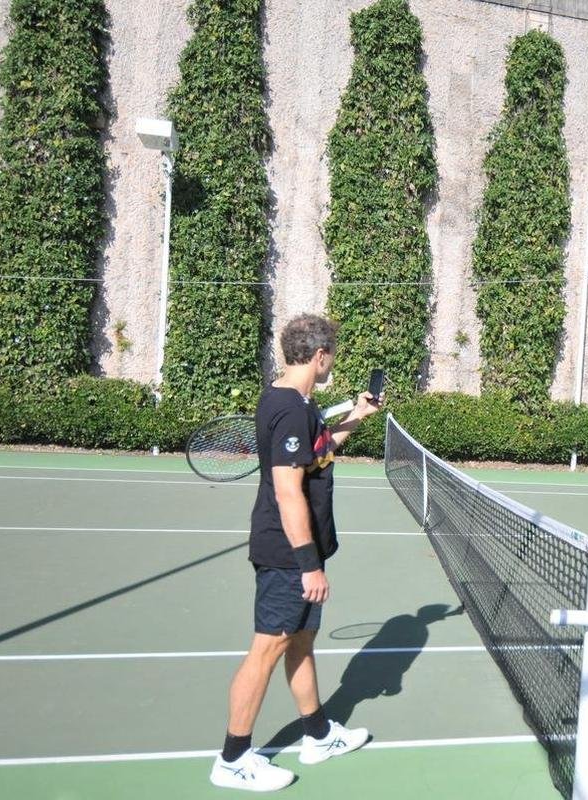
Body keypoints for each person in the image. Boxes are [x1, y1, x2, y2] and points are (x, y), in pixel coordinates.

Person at [210, 314, 381, 792]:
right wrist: (308, 566)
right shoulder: (289, 410)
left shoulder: (298, 402)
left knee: (301, 643)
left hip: (302, 551)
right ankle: (232, 759)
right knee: (266, 650)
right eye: (332, 356)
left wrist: (357, 416)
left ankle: (318, 735)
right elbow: (288, 492)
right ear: (320, 355)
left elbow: (318, 453)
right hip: (287, 553)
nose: (332, 364)